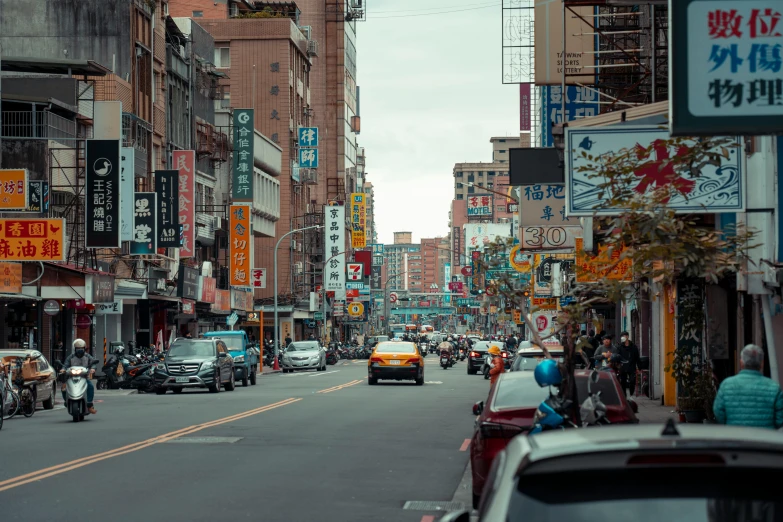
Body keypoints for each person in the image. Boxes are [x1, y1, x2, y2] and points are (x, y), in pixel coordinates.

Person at [713, 344, 783, 429]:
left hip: (735, 437)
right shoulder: (774, 387)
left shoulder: (727, 385)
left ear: (741, 363)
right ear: (762, 364)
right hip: (765, 439)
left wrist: (730, 424)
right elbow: (780, 419)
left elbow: (718, 411)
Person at [60, 339, 98, 414]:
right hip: (71, 377)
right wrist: (63, 369)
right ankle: (66, 401)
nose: (79, 350)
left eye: (81, 349)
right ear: (75, 349)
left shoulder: (87, 356)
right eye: (78, 349)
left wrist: (93, 368)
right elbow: (65, 365)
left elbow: (93, 363)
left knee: (90, 386)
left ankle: (89, 403)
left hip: (84, 377)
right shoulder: (71, 357)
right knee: (64, 388)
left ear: (84, 349)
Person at [616, 331, 641, 397]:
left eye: (625, 336)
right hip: (623, 366)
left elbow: (637, 357)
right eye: (622, 336)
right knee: (623, 382)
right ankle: (624, 395)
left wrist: (639, 367)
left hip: (631, 366)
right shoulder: (619, 347)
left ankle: (631, 391)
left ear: (627, 336)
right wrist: (618, 365)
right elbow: (617, 356)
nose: (623, 337)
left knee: (632, 380)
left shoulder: (633, 346)